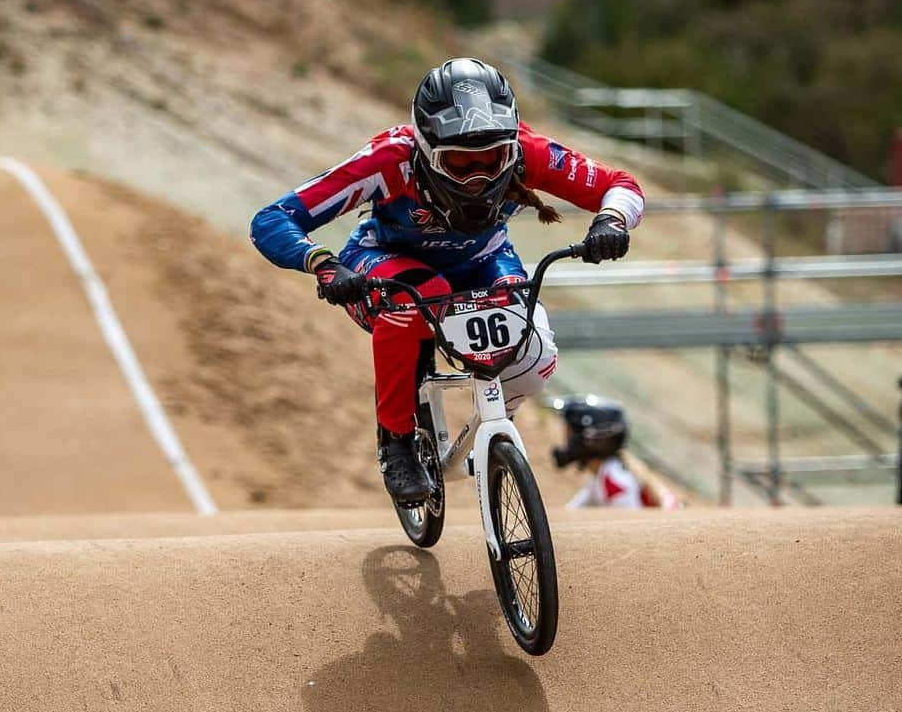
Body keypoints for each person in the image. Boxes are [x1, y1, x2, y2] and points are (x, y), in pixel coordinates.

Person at [249, 57, 644, 504]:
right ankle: (396, 440)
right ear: (425, 148)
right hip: (386, 260)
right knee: (418, 302)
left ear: (510, 147)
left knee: (535, 360)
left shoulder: (528, 152)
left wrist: (611, 221)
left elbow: (620, 184)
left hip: (484, 259)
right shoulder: (390, 160)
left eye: (491, 159)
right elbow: (273, 218)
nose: (478, 178)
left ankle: (496, 421)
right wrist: (321, 262)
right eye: (459, 162)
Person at [552, 394, 680, 509]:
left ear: (591, 440)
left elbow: (636, 528)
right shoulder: (601, 475)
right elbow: (573, 511)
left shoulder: (615, 481)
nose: (566, 439)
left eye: (570, 432)